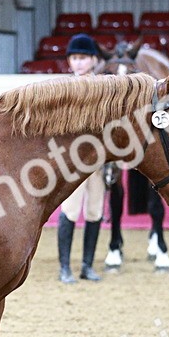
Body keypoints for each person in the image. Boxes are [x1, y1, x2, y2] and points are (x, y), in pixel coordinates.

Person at [56, 34, 106, 283]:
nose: (78, 63)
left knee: (95, 212)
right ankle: (64, 267)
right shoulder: (65, 89)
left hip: (99, 161)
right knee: (71, 211)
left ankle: (87, 265)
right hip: (74, 161)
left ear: (93, 60)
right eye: (74, 58)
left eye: (83, 58)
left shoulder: (104, 89)